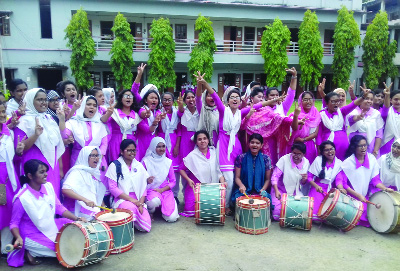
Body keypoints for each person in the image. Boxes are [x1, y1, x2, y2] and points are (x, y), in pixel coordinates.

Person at [196, 74, 269, 215]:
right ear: (227, 101)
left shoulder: (241, 113)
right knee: (227, 178)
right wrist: (204, 83)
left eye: (237, 97)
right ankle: (223, 205)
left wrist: (274, 100)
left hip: (236, 147)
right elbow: (215, 97)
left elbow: (259, 105)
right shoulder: (223, 111)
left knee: (236, 178)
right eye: (232, 97)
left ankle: (231, 203)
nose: (235, 99)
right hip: (223, 147)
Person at [8, 159, 85, 267]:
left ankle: (37, 251)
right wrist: (18, 237)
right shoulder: (22, 199)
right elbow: (14, 223)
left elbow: (59, 208)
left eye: (45, 171)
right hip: (31, 234)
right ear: (30, 176)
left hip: (50, 225)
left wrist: (77, 219)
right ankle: (30, 251)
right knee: (64, 249)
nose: (46, 174)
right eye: (41, 172)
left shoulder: (48, 186)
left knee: (77, 229)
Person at [15, 88, 65, 197]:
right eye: (39, 100)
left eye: (45, 99)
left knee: (53, 196)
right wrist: (36, 135)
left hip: (52, 166)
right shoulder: (24, 121)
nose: (44, 102)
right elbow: (21, 148)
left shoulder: (49, 118)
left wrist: (60, 168)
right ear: (30, 101)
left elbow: (57, 145)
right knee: (38, 197)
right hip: (35, 165)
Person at [337, 135, 394, 227]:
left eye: (365, 145)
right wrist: (358, 195)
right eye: (360, 146)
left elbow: (376, 180)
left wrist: (385, 189)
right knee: (353, 218)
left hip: (364, 196)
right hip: (351, 195)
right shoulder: (348, 162)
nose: (363, 148)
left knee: (371, 217)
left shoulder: (371, 159)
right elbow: (344, 184)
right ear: (354, 147)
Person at [106, 139, 152, 232]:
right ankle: (128, 225)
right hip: (122, 198)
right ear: (122, 152)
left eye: (134, 150)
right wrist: (133, 201)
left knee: (146, 223)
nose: (132, 153)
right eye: (129, 150)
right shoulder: (114, 165)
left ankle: (132, 221)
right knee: (131, 208)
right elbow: (113, 188)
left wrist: (141, 203)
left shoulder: (139, 165)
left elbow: (143, 186)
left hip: (138, 199)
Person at [316, 84, 371, 160]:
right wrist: (319, 149)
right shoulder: (321, 115)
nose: (336, 104)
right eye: (333, 101)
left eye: (337, 101)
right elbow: (319, 134)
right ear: (327, 103)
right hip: (328, 148)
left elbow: (354, 104)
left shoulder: (342, 112)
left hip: (343, 147)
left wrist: (364, 96)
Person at [179, 130, 225, 216]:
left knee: (212, 209)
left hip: (211, 186)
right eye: (199, 139)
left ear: (208, 140)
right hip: (196, 187)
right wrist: (188, 180)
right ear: (196, 142)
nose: (202, 141)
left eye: (205, 138)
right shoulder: (192, 155)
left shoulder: (214, 152)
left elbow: (218, 170)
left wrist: (223, 182)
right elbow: (181, 169)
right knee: (190, 209)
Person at [58, 96, 108, 173]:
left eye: (94, 105)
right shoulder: (73, 122)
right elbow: (64, 136)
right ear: (82, 106)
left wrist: (97, 157)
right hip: (79, 159)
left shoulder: (99, 124)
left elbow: (104, 144)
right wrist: (62, 120)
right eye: (89, 104)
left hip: (97, 160)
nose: (92, 107)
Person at [0, 100, 25, 254]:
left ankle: (4, 246)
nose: (2, 115)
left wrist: (18, 152)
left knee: (8, 209)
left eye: (3, 112)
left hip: (9, 178)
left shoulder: (8, 132)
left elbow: (12, 160)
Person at [62, 146, 107, 220]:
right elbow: (65, 190)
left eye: (97, 155)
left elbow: (93, 193)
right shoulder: (76, 172)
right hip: (76, 211)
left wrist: (104, 208)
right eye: (93, 156)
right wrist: (85, 200)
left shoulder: (93, 172)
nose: (97, 158)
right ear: (85, 157)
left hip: (90, 209)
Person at [142, 137, 179, 222]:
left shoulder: (168, 161)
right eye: (158, 146)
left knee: (172, 218)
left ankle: (163, 208)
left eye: (163, 146)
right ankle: (151, 211)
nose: (161, 149)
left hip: (165, 190)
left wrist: (162, 190)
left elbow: (173, 181)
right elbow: (140, 180)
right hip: (151, 190)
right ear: (153, 147)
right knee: (153, 202)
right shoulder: (146, 161)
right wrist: (147, 181)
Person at [271, 143, 310, 221]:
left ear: (303, 154)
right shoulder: (284, 159)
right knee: (277, 214)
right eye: (294, 153)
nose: (296, 156)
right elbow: (275, 176)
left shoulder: (306, 163)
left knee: (303, 212)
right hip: (280, 190)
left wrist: (304, 180)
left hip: (296, 192)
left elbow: (302, 184)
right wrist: (276, 190)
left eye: (299, 154)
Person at [100, 89, 142, 162]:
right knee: (117, 165)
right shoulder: (114, 112)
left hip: (132, 142)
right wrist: (108, 113)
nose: (128, 97)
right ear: (121, 99)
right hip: (116, 142)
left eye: (130, 96)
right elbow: (103, 120)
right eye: (126, 96)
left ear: (133, 100)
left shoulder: (136, 115)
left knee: (132, 165)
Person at [307, 141, 345, 219]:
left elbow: (339, 180)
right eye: (326, 150)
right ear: (323, 152)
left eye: (331, 149)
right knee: (314, 214)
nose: (330, 152)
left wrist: (341, 189)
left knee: (328, 213)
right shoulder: (318, 160)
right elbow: (309, 177)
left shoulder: (339, 163)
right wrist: (316, 186)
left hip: (330, 190)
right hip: (317, 188)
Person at [231, 133, 272, 203]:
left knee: (267, 200)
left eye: (257, 143)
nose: (254, 145)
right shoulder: (241, 158)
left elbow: (268, 179)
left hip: (259, 191)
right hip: (244, 191)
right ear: (249, 144)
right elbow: (237, 178)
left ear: (261, 145)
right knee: (238, 199)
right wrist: (241, 186)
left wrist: (263, 190)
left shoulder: (266, 159)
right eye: (252, 142)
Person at [346, 91, 384, 157]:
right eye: (367, 98)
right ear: (361, 99)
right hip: (355, 145)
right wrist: (359, 117)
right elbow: (351, 119)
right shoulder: (353, 111)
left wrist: (375, 151)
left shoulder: (376, 114)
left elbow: (379, 134)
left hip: (371, 146)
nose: (369, 101)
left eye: (371, 99)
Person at [158, 92, 181, 198]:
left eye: (169, 100)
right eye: (165, 100)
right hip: (162, 141)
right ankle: (165, 194)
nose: (167, 102)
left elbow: (179, 130)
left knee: (175, 170)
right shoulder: (158, 113)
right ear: (161, 101)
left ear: (173, 101)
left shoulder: (177, 113)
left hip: (174, 140)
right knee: (163, 168)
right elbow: (157, 130)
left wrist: (176, 146)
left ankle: (175, 195)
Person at [287, 91, 321, 163]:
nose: (308, 102)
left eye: (310, 99)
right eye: (305, 99)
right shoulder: (296, 113)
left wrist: (304, 140)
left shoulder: (316, 114)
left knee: (308, 167)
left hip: (309, 145)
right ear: (301, 101)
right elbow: (294, 128)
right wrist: (296, 116)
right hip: (296, 145)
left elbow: (315, 133)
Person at [137, 85, 164, 161]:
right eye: (151, 98)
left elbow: (160, 114)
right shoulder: (141, 110)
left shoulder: (157, 112)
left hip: (153, 140)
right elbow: (146, 129)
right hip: (142, 140)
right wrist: (146, 114)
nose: (154, 100)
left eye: (156, 98)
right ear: (145, 100)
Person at [195, 79, 219, 147]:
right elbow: (198, 98)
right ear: (204, 98)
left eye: (213, 96)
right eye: (209, 96)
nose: (212, 98)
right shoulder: (202, 109)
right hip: (205, 141)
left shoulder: (220, 110)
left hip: (219, 141)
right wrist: (199, 84)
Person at [381, 86, 400, 156]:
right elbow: (386, 108)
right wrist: (387, 95)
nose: (398, 102)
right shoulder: (388, 112)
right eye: (396, 99)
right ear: (391, 100)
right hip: (387, 144)